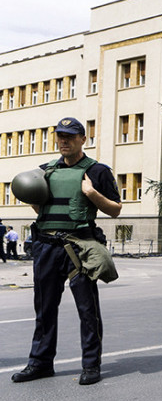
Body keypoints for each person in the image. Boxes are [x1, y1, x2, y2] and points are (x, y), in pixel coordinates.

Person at [11, 117, 122, 386]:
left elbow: (116, 209)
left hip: (79, 248)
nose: (64, 140)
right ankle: (40, 363)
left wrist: (92, 194)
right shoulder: (44, 171)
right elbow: (39, 206)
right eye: (60, 136)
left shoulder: (98, 171)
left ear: (83, 139)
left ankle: (91, 365)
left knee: (87, 309)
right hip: (47, 247)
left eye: (70, 136)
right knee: (44, 309)